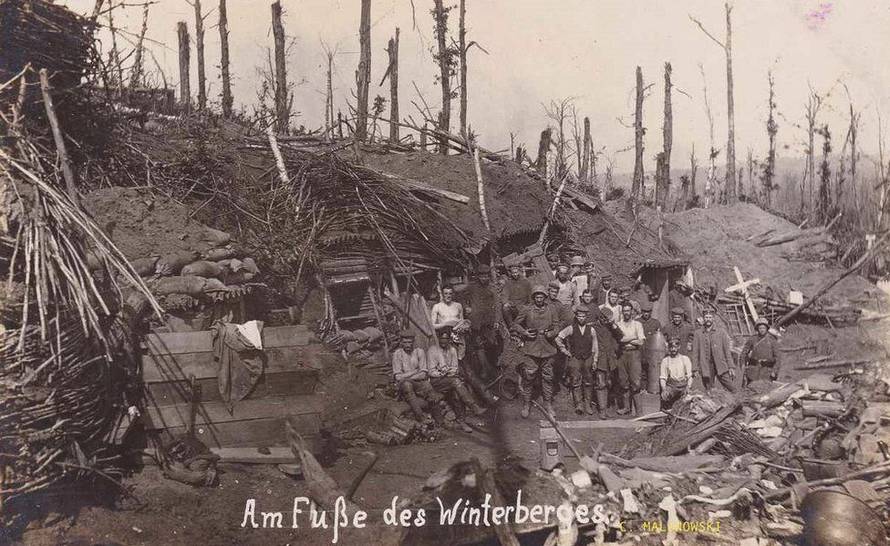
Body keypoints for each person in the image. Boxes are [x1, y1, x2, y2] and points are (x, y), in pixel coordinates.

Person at [511, 285, 561, 419]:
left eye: (542, 297)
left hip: (548, 347)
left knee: (548, 378)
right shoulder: (527, 309)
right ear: (533, 297)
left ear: (545, 297)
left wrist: (552, 333)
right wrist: (524, 332)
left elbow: (557, 325)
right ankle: (526, 403)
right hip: (531, 347)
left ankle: (548, 403)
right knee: (529, 377)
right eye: (537, 297)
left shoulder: (552, 309)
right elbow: (515, 324)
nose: (539, 299)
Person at [427, 329, 486, 419]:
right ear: (438, 339)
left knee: (456, 391)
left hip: (450, 379)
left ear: (449, 339)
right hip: (436, 381)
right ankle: (474, 407)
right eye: (442, 338)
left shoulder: (452, 350)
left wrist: (449, 372)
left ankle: (462, 419)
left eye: (446, 339)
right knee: (456, 382)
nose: (444, 341)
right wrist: (441, 373)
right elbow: (431, 372)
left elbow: (455, 369)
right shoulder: (432, 350)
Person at [555, 305, 599, 414]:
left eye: (583, 316)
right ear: (576, 316)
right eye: (579, 316)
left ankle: (588, 404)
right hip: (575, 358)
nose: (581, 318)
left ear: (586, 317)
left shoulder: (591, 330)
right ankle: (579, 404)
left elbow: (595, 346)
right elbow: (558, 338)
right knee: (575, 381)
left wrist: (595, 360)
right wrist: (564, 351)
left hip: (588, 358)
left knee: (588, 381)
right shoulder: (571, 328)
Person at [460, 264, 501, 381]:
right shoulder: (472, 287)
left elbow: (498, 304)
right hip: (476, 322)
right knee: (478, 345)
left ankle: (491, 366)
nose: (484, 278)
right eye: (482, 276)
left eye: (486, 276)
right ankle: (484, 370)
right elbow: (461, 296)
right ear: (478, 276)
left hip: (489, 321)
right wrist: (466, 307)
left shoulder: (492, 288)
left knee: (492, 343)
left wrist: (497, 320)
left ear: (489, 276)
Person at [391, 332, 442, 424]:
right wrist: (414, 371)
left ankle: (440, 421)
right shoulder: (397, 354)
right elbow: (398, 377)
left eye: (410, 342)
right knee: (407, 385)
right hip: (404, 384)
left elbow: (423, 374)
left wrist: (406, 376)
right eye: (405, 342)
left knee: (428, 387)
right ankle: (421, 417)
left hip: (418, 382)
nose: (407, 345)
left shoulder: (419, 352)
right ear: (401, 343)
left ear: (413, 342)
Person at [692, 306, 738, 393]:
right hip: (706, 365)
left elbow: (727, 351)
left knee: (732, 388)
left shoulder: (721, 332)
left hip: (720, 364)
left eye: (710, 317)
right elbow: (695, 353)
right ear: (703, 318)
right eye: (706, 317)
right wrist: (695, 368)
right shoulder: (698, 333)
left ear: (713, 318)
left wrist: (731, 366)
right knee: (709, 389)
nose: (708, 319)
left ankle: (737, 403)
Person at [615, 302, 646, 416]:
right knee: (623, 381)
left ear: (632, 311)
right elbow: (619, 340)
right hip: (622, 354)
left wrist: (626, 339)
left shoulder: (637, 324)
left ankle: (639, 411)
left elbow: (641, 341)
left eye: (628, 310)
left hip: (634, 354)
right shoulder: (618, 324)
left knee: (636, 382)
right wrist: (633, 337)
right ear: (622, 312)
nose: (626, 313)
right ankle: (626, 408)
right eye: (624, 311)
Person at [592, 307, 621, 418]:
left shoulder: (611, 327)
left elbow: (621, 336)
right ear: (600, 316)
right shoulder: (593, 327)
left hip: (610, 360)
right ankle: (602, 410)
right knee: (601, 384)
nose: (605, 321)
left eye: (607, 319)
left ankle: (608, 406)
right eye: (604, 318)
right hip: (600, 359)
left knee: (609, 383)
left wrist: (613, 325)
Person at [740, 317, 781, 384]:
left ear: (767, 329)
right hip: (752, 371)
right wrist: (742, 365)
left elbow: (778, 358)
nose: (762, 330)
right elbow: (744, 353)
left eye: (763, 328)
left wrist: (774, 371)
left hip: (767, 371)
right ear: (757, 329)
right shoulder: (752, 339)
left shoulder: (772, 340)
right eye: (760, 328)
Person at [659, 336, 693, 408]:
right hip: (672, 386)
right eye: (671, 347)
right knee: (665, 397)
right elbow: (663, 377)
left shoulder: (685, 359)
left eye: (675, 347)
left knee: (690, 401)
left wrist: (688, 387)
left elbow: (689, 376)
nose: (673, 349)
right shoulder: (665, 361)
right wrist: (664, 389)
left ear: (679, 347)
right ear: (669, 348)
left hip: (683, 385)